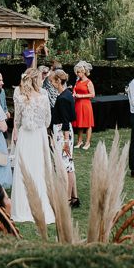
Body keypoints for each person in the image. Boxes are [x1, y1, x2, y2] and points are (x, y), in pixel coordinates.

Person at [10, 68, 55, 224]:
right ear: (38, 80)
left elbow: (17, 120)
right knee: (40, 169)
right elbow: (48, 120)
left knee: (24, 169)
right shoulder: (44, 96)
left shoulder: (20, 97)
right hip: (39, 135)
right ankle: (41, 206)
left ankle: (23, 208)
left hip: (25, 136)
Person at [50, 69, 79, 207]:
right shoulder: (67, 94)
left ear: (58, 81)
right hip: (65, 132)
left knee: (66, 166)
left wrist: (66, 141)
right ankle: (74, 197)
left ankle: (67, 199)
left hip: (63, 133)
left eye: (52, 81)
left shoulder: (62, 98)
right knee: (70, 165)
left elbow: (66, 121)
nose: (51, 84)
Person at [72, 60, 95, 150]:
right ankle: (79, 141)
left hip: (86, 104)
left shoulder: (89, 82)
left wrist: (81, 96)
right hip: (78, 104)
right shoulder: (78, 81)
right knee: (79, 124)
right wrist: (74, 93)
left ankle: (87, 142)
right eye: (76, 72)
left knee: (88, 124)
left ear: (83, 71)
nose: (77, 74)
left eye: (78, 72)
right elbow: (75, 90)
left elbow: (92, 95)